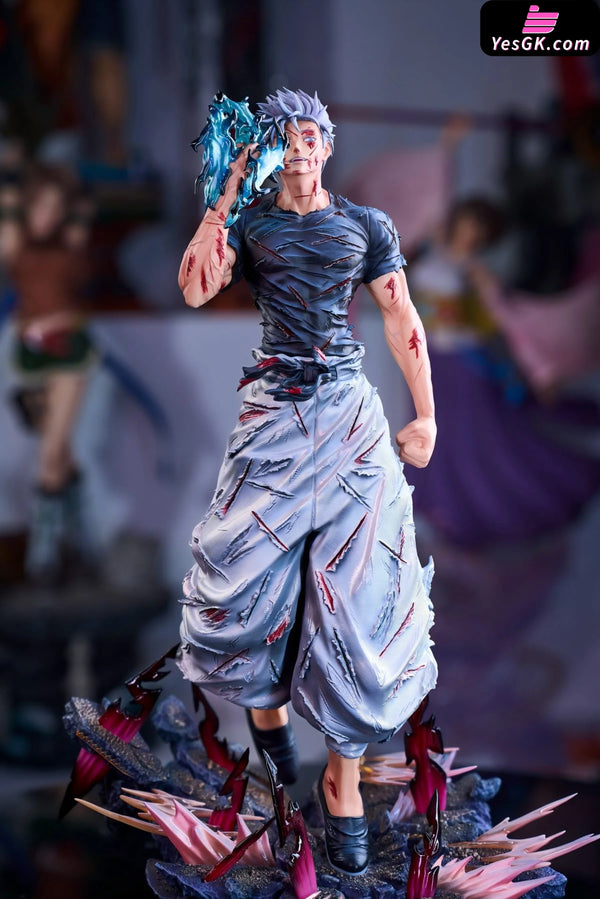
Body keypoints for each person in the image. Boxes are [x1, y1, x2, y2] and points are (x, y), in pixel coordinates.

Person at [177, 89, 437, 875]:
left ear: (326, 144)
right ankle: (269, 718)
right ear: (269, 152)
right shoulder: (251, 224)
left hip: (349, 417)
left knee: (358, 597)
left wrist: (426, 414)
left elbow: (401, 316)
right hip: (274, 417)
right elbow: (195, 288)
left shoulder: (366, 226)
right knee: (249, 582)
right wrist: (227, 192)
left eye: (308, 138)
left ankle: (343, 778)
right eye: (283, 141)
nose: (297, 151)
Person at [0, 164, 95, 583]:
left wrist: (78, 215)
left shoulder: (71, 237)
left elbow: (80, 271)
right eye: (41, 206)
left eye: (56, 208)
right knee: (59, 451)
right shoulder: (14, 236)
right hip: (30, 352)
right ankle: (80, 541)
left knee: (50, 453)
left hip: (69, 348)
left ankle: (42, 560)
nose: (47, 215)